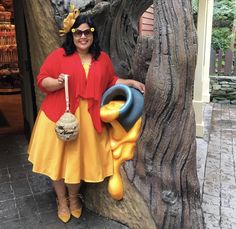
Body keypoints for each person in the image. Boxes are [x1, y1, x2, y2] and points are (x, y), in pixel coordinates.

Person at [28, 10, 145, 224]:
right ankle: (61, 201)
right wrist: (57, 83)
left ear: (93, 35)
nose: (83, 37)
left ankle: (73, 199)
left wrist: (131, 83)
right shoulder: (59, 56)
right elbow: (43, 80)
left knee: (76, 164)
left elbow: (111, 81)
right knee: (57, 162)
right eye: (78, 33)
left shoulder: (102, 59)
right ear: (72, 35)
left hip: (88, 120)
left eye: (87, 32)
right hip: (60, 118)